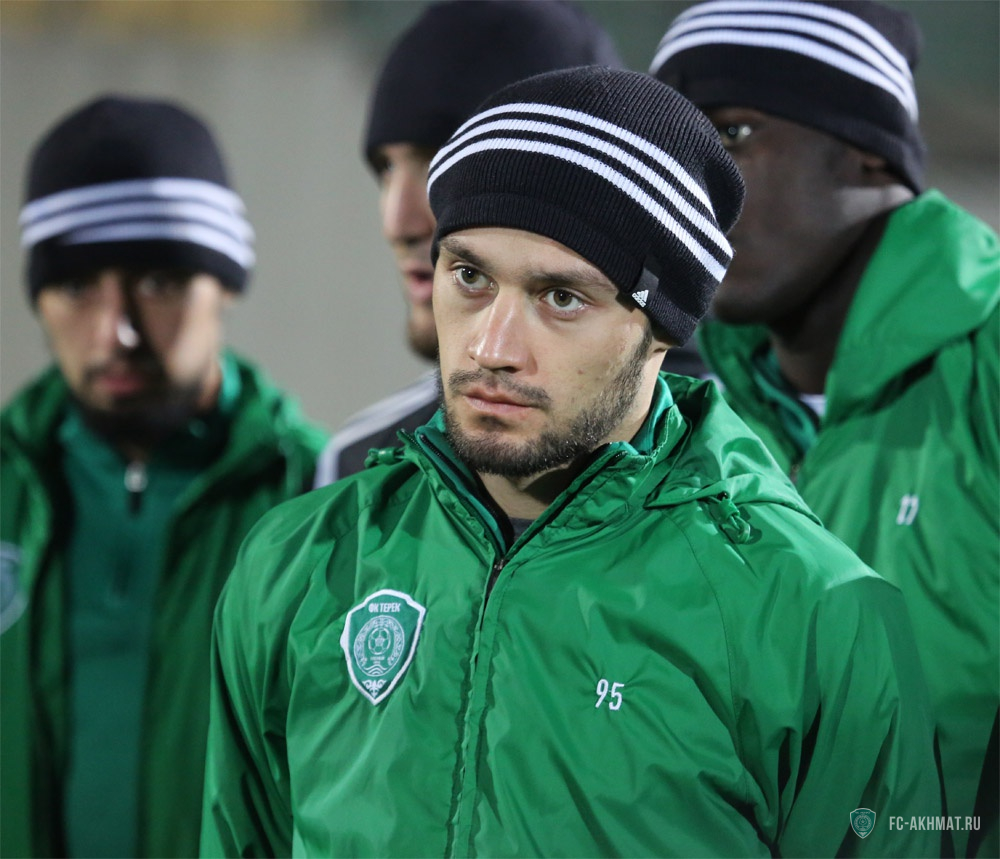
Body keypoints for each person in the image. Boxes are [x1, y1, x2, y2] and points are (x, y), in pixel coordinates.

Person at [201, 66, 940, 858]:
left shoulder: (814, 614)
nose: (491, 347)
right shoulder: (300, 563)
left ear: (663, 326)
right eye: (470, 277)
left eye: (560, 297)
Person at [650, 2, 999, 855]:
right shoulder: (683, 426)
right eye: (674, 153)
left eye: (732, 134)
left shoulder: (986, 367)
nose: (694, 189)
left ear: (867, 146)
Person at [0, 95, 328, 859]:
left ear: (227, 284)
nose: (114, 330)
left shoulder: (322, 499)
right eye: (76, 287)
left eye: (157, 281)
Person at [314, 0, 706, 487]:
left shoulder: (752, 470)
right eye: (386, 168)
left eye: (444, 163)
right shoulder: (361, 466)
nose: (399, 221)